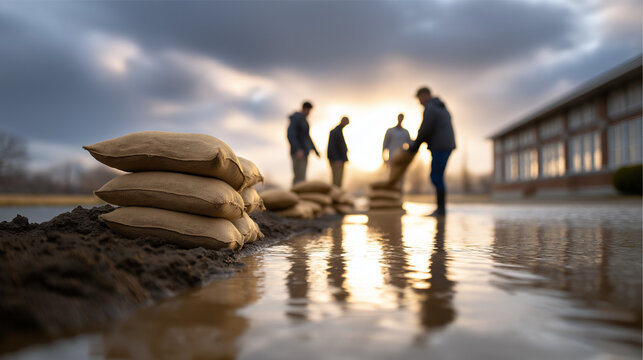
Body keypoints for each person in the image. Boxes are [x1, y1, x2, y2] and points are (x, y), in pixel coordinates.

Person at [408, 86, 456, 216]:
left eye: (419, 98)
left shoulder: (431, 108)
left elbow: (425, 130)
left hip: (440, 146)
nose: (419, 101)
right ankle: (441, 208)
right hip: (445, 145)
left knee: (436, 176)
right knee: (438, 176)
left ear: (425, 95)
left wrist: (414, 146)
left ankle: (441, 209)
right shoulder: (441, 107)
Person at [287, 101, 320, 185]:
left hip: (304, 152)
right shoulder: (296, 118)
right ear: (304, 109)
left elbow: (307, 137)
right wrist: (298, 149)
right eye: (308, 111)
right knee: (299, 177)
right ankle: (295, 196)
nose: (309, 113)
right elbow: (291, 135)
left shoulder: (304, 120)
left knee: (302, 177)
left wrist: (315, 150)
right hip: (298, 152)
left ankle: (299, 196)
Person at [327, 116, 349, 187]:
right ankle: (335, 196)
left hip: (339, 160)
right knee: (336, 181)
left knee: (339, 181)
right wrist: (336, 159)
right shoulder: (335, 132)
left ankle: (337, 195)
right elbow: (332, 147)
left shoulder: (339, 131)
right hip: (337, 161)